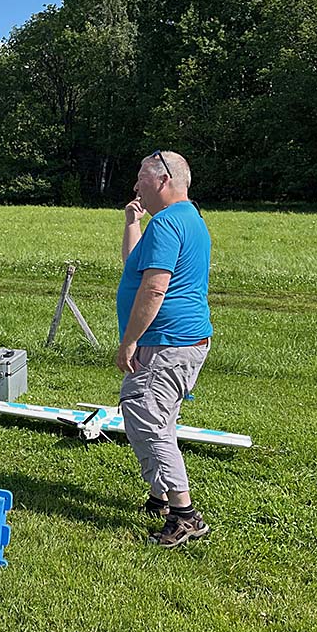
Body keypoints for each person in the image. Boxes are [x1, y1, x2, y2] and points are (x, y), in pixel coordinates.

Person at [116, 150, 213, 548]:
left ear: (163, 180)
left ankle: (185, 514)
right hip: (183, 342)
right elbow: (135, 267)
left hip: (166, 343)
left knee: (145, 415)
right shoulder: (185, 220)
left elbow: (154, 288)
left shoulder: (169, 224)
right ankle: (160, 496)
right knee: (162, 416)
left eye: (141, 178)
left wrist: (130, 340)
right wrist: (131, 223)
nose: (136, 185)